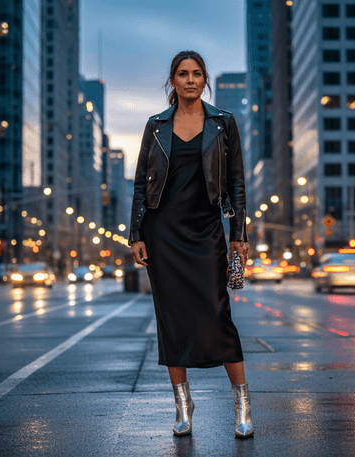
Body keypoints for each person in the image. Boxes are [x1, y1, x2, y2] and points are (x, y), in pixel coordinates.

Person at [128, 50, 253, 438]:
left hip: (206, 231)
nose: (190, 80)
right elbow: (140, 183)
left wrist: (239, 235)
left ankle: (242, 404)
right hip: (163, 234)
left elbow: (236, 182)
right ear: (173, 81)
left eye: (197, 74)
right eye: (183, 74)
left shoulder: (223, 123)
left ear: (204, 80)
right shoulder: (156, 126)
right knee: (172, 320)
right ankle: (183, 406)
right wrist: (136, 234)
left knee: (218, 315)